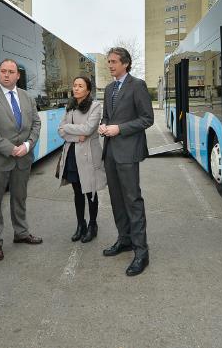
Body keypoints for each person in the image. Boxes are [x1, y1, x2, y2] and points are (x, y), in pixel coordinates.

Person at [0, 59, 42, 262]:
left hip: (23, 159)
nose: (6, 74)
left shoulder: (27, 98)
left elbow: (36, 124)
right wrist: (11, 149)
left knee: (20, 198)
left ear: (18, 76)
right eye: (3, 71)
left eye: (11, 71)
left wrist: (28, 146)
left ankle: (21, 233)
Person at [99, 47, 154, 277]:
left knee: (132, 200)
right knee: (116, 200)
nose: (110, 65)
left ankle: (142, 252)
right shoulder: (110, 88)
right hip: (110, 152)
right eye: (108, 62)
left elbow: (147, 119)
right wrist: (104, 126)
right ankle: (125, 240)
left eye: (113, 61)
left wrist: (119, 128)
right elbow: (107, 116)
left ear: (126, 63)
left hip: (128, 152)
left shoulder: (137, 85)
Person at [56, 76, 107, 243]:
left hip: (89, 155)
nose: (76, 88)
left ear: (88, 90)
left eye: (80, 86)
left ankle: (93, 225)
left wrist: (68, 128)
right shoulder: (69, 105)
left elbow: (89, 128)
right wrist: (77, 137)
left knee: (90, 190)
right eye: (75, 85)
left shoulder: (95, 106)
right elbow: (61, 131)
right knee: (77, 191)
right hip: (72, 152)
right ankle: (81, 224)